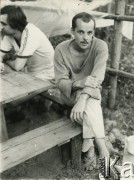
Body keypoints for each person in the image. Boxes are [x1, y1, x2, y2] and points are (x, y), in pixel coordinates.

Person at [52, 12, 110, 172]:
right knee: (92, 99)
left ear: (94, 33)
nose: (86, 37)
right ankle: (103, 149)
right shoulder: (61, 50)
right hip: (70, 94)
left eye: (90, 32)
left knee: (90, 100)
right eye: (81, 32)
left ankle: (91, 145)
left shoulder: (100, 46)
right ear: (72, 31)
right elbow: (61, 82)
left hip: (88, 96)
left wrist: (83, 98)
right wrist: (79, 83)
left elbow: (98, 76)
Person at [0, 5, 54, 81]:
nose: (1, 26)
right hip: (29, 71)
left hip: (47, 75)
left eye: (3, 24)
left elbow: (17, 66)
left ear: (15, 25)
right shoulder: (9, 33)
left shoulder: (31, 33)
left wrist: (6, 61)